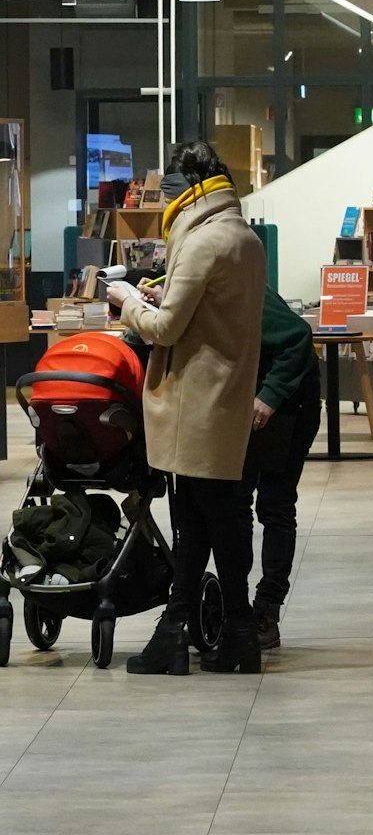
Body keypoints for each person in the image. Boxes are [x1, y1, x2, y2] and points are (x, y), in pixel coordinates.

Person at [110, 140, 268, 675]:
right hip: (226, 396)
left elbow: (165, 330)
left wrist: (128, 301)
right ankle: (192, 632)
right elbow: (212, 318)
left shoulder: (202, 242)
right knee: (208, 519)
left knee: (209, 520)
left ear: (191, 190)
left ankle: (211, 632)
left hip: (194, 403)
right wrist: (166, 297)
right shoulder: (243, 236)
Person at [243, 288, 321, 650]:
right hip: (245, 400)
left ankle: (267, 609)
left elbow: (297, 337)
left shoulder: (240, 289)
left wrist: (270, 395)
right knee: (234, 503)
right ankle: (235, 607)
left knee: (274, 504)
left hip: (290, 403)